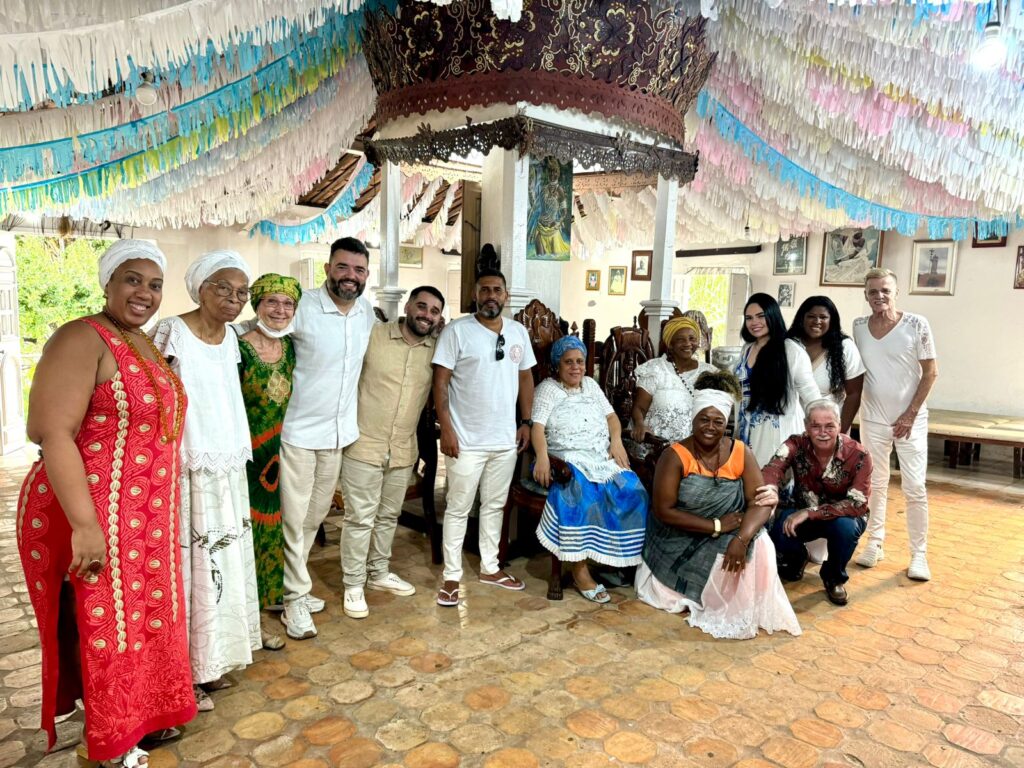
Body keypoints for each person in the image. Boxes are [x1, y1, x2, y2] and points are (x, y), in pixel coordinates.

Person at [19, 239, 195, 767]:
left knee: (144, 618)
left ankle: (143, 718)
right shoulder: (82, 336)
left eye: (154, 283)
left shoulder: (139, 341)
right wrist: (85, 526)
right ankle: (109, 741)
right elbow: (50, 431)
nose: (144, 292)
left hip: (144, 518)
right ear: (107, 283)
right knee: (107, 624)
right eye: (132, 279)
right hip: (94, 510)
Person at [153, 250, 260, 712]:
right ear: (200, 288)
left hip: (228, 462)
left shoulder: (233, 337)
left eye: (242, 293)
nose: (234, 300)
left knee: (223, 564)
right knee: (190, 570)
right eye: (223, 288)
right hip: (188, 465)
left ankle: (213, 661)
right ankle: (186, 672)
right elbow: (154, 393)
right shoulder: (171, 331)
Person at [635, 371, 801, 639]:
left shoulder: (740, 452)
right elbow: (663, 511)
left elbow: (757, 501)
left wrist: (742, 538)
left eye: (718, 421)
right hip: (680, 535)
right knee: (725, 548)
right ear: (694, 419)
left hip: (729, 528)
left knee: (760, 542)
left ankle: (740, 607)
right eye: (704, 419)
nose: (710, 427)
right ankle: (709, 600)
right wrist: (715, 525)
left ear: (726, 423)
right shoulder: (675, 455)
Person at [278, 237, 376, 639]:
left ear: (366, 275)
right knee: (293, 518)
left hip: (338, 434)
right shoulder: (301, 308)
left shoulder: (367, 313)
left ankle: (290, 586)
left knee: (315, 517)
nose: (350, 277)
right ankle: (294, 600)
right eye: (343, 267)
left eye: (358, 270)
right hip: (298, 431)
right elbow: (262, 334)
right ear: (327, 269)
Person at [339, 287, 445, 618]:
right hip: (364, 444)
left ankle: (378, 573)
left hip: (402, 448)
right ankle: (353, 585)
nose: (427, 314)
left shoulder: (436, 351)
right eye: (422, 306)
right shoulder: (373, 336)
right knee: (359, 518)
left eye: (434, 311)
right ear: (408, 306)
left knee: (388, 516)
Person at [433, 268, 536, 606]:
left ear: (506, 296)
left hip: (505, 439)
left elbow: (525, 380)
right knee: (458, 506)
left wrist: (526, 421)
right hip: (464, 440)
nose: (491, 295)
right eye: (485, 290)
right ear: (475, 295)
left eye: (497, 290)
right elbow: (441, 382)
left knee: (494, 504)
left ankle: (490, 567)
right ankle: (451, 575)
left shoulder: (519, 332)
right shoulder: (456, 331)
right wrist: (446, 428)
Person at [531, 336, 648, 602]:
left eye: (580, 362)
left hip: (599, 455)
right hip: (567, 458)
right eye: (568, 362)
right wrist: (541, 456)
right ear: (557, 366)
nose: (575, 367)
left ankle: (613, 560)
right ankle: (579, 569)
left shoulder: (591, 386)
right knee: (582, 497)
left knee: (634, 491)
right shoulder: (547, 389)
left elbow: (611, 418)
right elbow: (537, 426)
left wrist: (616, 442)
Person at [852, 268, 938, 581]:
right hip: (873, 419)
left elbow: (930, 373)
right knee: (874, 483)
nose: (879, 297)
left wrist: (910, 414)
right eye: (873, 291)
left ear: (896, 292)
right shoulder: (859, 326)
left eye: (885, 290)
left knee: (915, 486)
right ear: (866, 294)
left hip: (910, 420)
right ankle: (874, 542)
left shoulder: (917, 324)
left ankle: (919, 555)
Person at [237, 274, 301, 650]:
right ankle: (249, 617)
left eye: (288, 304)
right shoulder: (238, 347)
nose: (280, 310)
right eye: (272, 302)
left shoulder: (290, 347)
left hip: (281, 451)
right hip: (246, 452)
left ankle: (272, 598)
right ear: (256, 305)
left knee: (277, 527)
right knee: (248, 530)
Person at [761, 400, 873, 606]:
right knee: (779, 528)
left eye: (829, 426)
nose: (823, 432)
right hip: (803, 512)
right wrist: (771, 489)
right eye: (816, 426)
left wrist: (810, 512)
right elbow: (772, 468)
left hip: (843, 516)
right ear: (806, 426)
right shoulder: (795, 444)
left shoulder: (859, 454)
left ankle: (834, 578)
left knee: (845, 529)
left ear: (839, 426)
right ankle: (796, 560)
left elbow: (857, 503)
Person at [734, 293, 820, 466]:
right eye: (749, 318)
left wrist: (820, 429)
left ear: (772, 316)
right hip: (746, 427)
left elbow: (812, 396)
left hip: (777, 431)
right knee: (748, 482)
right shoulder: (747, 349)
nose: (754, 322)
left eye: (760, 316)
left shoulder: (791, 350)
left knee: (772, 482)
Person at [630, 316, 718, 445]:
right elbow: (639, 408)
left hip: (696, 447)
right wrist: (639, 424)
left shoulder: (710, 373)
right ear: (670, 344)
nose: (688, 343)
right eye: (680, 339)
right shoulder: (655, 369)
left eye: (692, 338)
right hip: (656, 447)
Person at [787, 296, 865, 434]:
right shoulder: (790, 344)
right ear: (802, 318)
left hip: (828, 427)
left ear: (832, 320)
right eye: (811, 316)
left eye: (823, 317)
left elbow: (854, 394)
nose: (817, 321)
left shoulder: (844, 347)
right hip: (791, 425)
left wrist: (839, 433)